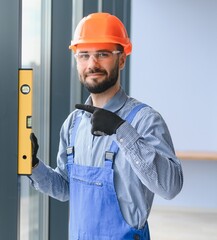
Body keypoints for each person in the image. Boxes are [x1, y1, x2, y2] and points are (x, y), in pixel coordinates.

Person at [29, 12, 183, 240]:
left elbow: (170, 187)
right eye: (84, 55)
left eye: (103, 54)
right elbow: (65, 189)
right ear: (76, 61)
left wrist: (121, 130)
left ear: (121, 59)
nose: (92, 64)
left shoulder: (145, 120)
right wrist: (33, 165)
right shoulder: (73, 124)